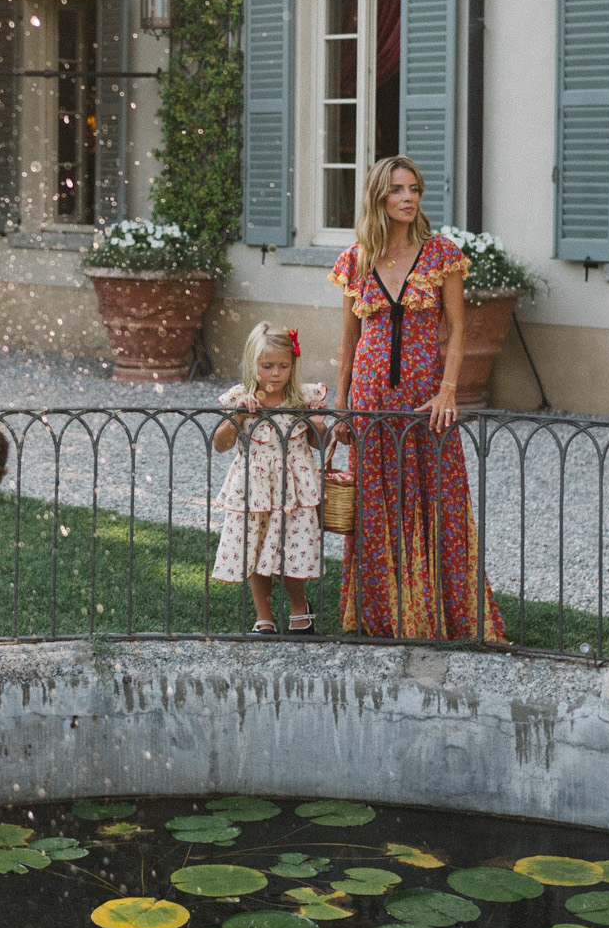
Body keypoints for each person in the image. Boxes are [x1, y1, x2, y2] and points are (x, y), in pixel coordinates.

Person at [331, 154, 505, 642]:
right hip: (369, 401)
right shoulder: (355, 260)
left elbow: (458, 329)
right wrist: (341, 405)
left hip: (426, 400)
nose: (408, 198)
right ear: (379, 198)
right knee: (375, 506)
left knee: (438, 502)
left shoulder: (441, 254)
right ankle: (381, 614)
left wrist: (449, 390)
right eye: (398, 190)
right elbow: (347, 344)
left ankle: (442, 614)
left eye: (414, 190)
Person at [211, 321, 329, 635]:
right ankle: (264, 615)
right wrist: (239, 414)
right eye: (267, 366)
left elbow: (319, 443)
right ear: (253, 365)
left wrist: (318, 423)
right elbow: (220, 444)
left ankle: (299, 607)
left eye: (283, 366)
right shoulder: (241, 398)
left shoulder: (304, 399)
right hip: (254, 487)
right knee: (255, 546)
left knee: (293, 547)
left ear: (294, 365)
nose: (275, 373)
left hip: (294, 488)